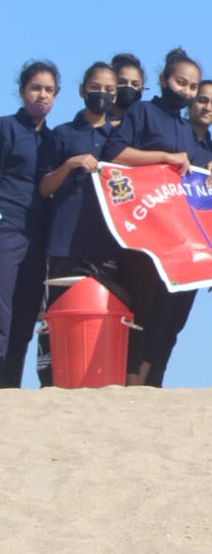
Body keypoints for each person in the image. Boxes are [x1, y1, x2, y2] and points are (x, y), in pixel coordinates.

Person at [102, 48, 212, 386]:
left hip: (175, 240)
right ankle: (128, 382)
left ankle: (149, 382)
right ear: (163, 79)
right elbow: (115, 153)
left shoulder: (185, 128)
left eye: (191, 86)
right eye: (180, 82)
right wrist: (163, 157)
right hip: (142, 232)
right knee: (139, 308)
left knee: (166, 316)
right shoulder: (142, 111)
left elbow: (198, 163)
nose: (185, 91)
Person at [38, 63, 122, 305]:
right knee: (58, 316)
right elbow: (44, 188)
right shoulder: (62, 134)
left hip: (107, 243)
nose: (102, 93)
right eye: (95, 87)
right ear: (82, 90)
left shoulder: (120, 139)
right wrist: (69, 164)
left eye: (109, 89)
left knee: (100, 318)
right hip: (65, 243)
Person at [0, 62, 59, 387]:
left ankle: (9, 387)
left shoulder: (53, 140)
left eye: (49, 90)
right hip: (6, 228)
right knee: (2, 310)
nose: (42, 95)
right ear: (23, 90)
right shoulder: (6, 128)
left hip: (38, 236)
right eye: (36, 87)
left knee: (25, 315)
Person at [110, 53, 145, 122]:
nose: (128, 87)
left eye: (135, 84)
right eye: (122, 83)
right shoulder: (94, 120)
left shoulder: (147, 122)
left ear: (142, 89)